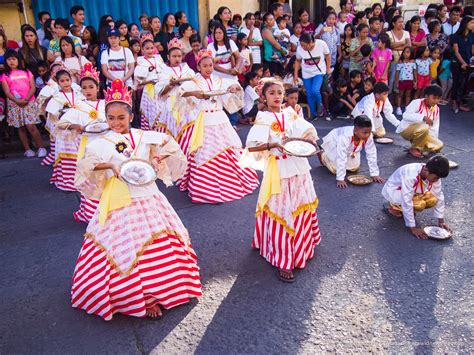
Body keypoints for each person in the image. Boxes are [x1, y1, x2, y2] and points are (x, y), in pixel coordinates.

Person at [71, 78, 202, 320]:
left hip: (148, 193)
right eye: (111, 118)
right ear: (106, 118)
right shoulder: (100, 142)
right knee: (126, 247)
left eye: (121, 118)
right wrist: (110, 164)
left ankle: (162, 290)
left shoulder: (144, 135)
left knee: (157, 243)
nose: (116, 123)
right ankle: (142, 297)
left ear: (130, 116)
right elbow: (86, 167)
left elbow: (168, 147)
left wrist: (156, 159)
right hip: (120, 199)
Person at [243, 79, 320, 282]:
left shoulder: (290, 113)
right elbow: (251, 147)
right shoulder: (263, 118)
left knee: (300, 205)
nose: (277, 96)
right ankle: (283, 259)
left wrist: (311, 141)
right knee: (282, 210)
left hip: (298, 166)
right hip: (278, 170)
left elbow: (306, 131)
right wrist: (272, 144)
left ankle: (303, 244)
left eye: (279, 92)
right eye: (272, 93)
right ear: (264, 97)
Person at [178, 49, 259, 203]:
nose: (209, 68)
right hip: (204, 120)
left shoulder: (219, 80)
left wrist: (235, 89)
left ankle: (230, 182)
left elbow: (234, 87)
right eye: (205, 66)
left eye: (210, 65)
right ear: (199, 67)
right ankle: (206, 187)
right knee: (205, 151)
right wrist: (194, 94)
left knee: (229, 146)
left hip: (220, 118)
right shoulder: (193, 82)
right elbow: (181, 93)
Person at [54, 64, 104, 222]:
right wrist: (74, 126)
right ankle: (92, 213)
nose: (88, 90)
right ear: (80, 90)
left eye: (91, 87)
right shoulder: (78, 106)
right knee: (91, 179)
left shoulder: (106, 104)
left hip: (106, 144)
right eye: (84, 88)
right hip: (88, 146)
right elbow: (60, 124)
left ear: (98, 87)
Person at [382, 155, 451, 240]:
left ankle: (404, 210)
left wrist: (441, 221)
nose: (437, 180)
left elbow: (439, 196)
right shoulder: (410, 174)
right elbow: (407, 201)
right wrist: (413, 228)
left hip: (413, 191)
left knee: (433, 200)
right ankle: (393, 206)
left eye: (439, 178)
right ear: (426, 169)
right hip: (394, 191)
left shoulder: (433, 173)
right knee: (420, 204)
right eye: (436, 178)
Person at [1, 50, 46, 158]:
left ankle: (41, 147)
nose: (11, 61)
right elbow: (7, 91)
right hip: (14, 104)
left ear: (19, 60)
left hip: (29, 102)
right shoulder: (5, 75)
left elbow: (33, 87)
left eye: (14, 59)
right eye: (9, 59)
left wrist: (26, 98)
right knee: (20, 127)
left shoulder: (27, 72)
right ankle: (28, 149)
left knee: (31, 126)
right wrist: (17, 101)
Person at [45, 69, 86, 191]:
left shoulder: (79, 94)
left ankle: (81, 179)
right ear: (58, 83)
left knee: (81, 154)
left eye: (67, 80)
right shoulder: (56, 98)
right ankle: (67, 181)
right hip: (65, 132)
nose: (66, 83)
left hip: (79, 129)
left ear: (71, 80)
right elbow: (53, 117)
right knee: (68, 155)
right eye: (62, 81)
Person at [153, 39, 196, 152]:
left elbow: (195, 84)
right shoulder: (164, 71)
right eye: (174, 56)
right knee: (171, 130)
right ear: (168, 56)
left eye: (179, 56)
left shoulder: (187, 69)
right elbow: (160, 91)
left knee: (188, 131)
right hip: (171, 105)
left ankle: (187, 152)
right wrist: (171, 85)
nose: (177, 59)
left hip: (185, 104)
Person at [319, 115, 383, 188]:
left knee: (354, 169)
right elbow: (341, 157)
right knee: (334, 169)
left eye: (369, 132)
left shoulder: (368, 135)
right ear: (355, 130)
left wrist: (374, 174)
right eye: (365, 132)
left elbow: (371, 153)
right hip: (334, 143)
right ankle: (323, 154)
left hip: (350, 149)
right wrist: (340, 179)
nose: (367, 135)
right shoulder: (344, 137)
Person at [397, 85, 444, 158]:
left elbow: (435, 126)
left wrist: (433, 139)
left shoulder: (436, 109)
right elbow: (405, 115)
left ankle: (419, 146)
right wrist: (423, 118)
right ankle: (414, 148)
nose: (436, 101)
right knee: (424, 127)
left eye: (438, 99)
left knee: (439, 145)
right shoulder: (416, 102)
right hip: (406, 130)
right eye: (434, 98)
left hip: (423, 132)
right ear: (426, 96)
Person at [294, 33, 331, 119]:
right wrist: (296, 74)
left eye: (305, 45)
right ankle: (313, 113)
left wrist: (328, 68)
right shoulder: (300, 49)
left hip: (318, 72)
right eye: (302, 45)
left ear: (311, 42)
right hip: (306, 73)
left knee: (315, 90)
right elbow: (298, 61)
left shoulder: (321, 44)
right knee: (309, 93)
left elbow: (328, 55)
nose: (303, 47)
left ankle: (320, 105)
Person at [134, 33, 165, 130]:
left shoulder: (158, 58)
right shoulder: (140, 61)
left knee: (161, 110)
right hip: (149, 90)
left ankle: (161, 130)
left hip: (160, 88)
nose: (150, 51)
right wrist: (149, 81)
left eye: (151, 48)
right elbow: (139, 82)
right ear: (142, 49)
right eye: (147, 48)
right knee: (151, 112)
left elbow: (164, 72)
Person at [450, 16, 474, 114]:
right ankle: (454, 102)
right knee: (456, 82)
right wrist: (463, 63)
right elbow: (456, 51)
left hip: (468, 62)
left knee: (464, 84)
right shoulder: (456, 36)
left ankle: (460, 103)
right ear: (466, 23)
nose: (473, 25)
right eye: (472, 22)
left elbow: (472, 50)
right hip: (457, 62)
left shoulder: (472, 36)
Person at [387, 15, 411, 92]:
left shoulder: (406, 33)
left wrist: (395, 47)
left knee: (401, 79)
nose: (401, 24)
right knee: (391, 79)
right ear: (393, 23)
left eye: (402, 22)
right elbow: (389, 45)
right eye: (399, 22)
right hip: (392, 60)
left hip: (403, 60)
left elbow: (409, 46)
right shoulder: (388, 33)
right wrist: (402, 43)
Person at [395, 47, 417, 115]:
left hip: (410, 80)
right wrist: (397, 82)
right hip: (402, 81)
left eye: (407, 52)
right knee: (400, 94)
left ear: (411, 53)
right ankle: (398, 108)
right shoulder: (400, 62)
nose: (405, 54)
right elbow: (397, 72)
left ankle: (407, 107)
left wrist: (415, 81)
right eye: (404, 52)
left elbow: (414, 72)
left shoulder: (413, 63)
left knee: (408, 94)